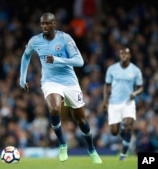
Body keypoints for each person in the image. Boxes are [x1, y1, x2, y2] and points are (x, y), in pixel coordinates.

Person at [19, 12, 102, 163]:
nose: (44, 26)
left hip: (70, 82)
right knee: (54, 108)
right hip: (50, 82)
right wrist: (22, 78)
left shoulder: (65, 38)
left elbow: (79, 61)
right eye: (42, 23)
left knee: (81, 120)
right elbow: (26, 56)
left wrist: (57, 60)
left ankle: (91, 148)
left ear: (54, 24)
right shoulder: (35, 41)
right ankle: (62, 144)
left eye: (47, 23)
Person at [103, 47, 143, 161]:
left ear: (130, 55)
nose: (124, 56)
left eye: (126, 54)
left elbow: (140, 87)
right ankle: (121, 131)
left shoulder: (135, 70)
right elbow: (107, 85)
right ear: (119, 55)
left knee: (129, 125)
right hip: (114, 103)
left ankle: (123, 155)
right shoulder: (112, 69)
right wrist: (105, 101)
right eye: (122, 54)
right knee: (114, 132)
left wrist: (135, 93)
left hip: (128, 103)